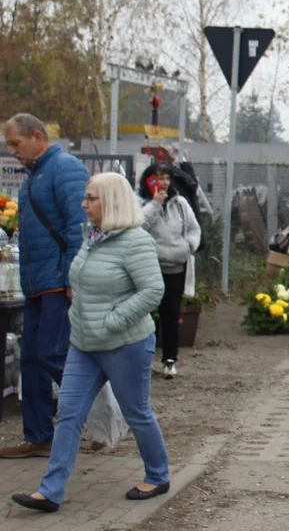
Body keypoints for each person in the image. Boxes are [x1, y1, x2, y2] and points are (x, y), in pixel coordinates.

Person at [11, 172, 168, 513]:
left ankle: (158, 475)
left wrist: (113, 320)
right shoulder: (93, 237)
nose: (83, 204)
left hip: (124, 344)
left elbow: (153, 291)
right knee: (68, 414)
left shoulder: (136, 241)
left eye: (90, 198)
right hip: (84, 345)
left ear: (110, 201)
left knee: (136, 412)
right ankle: (50, 492)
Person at [0, 114, 88, 460]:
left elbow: (78, 227)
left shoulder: (65, 168)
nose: (12, 151)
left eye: (16, 144)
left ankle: (94, 415)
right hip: (36, 284)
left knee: (53, 353)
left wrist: (70, 279)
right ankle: (39, 436)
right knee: (31, 360)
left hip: (56, 283)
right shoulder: (33, 176)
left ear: (37, 136)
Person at [138, 164, 201, 379]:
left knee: (171, 314)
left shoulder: (180, 203)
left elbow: (194, 228)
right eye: (158, 178)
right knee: (146, 313)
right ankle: (144, 359)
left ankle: (170, 359)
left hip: (176, 266)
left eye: (166, 178)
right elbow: (138, 226)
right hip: (151, 266)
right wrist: (155, 204)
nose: (163, 183)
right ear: (149, 180)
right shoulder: (142, 204)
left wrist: (189, 246)